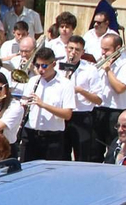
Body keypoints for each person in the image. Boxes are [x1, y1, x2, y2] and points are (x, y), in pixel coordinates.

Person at [21, 48, 74, 162]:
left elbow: (67, 114)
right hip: (31, 134)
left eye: (44, 66)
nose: (40, 70)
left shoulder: (65, 84)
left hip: (53, 138)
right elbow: (24, 103)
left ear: (53, 64)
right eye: (37, 65)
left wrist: (43, 105)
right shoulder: (33, 81)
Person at [63, 35, 107, 163]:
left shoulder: (90, 70)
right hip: (63, 115)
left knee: (82, 153)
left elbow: (99, 99)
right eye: (70, 48)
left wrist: (81, 90)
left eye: (77, 50)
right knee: (62, 153)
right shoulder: (58, 67)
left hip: (81, 115)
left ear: (82, 52)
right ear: (66, 48)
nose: (73, 52)